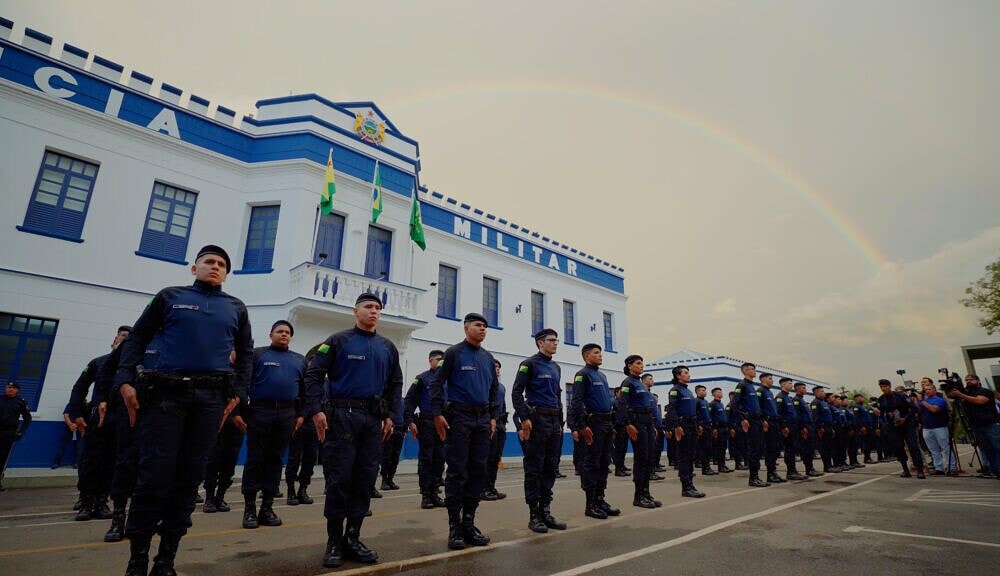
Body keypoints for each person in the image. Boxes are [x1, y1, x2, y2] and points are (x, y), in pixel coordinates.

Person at [115, 245, 252, 576]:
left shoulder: (236, 307)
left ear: (226, 273)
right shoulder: (169, 297)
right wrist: (125, 380)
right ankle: (137, 560)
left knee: (189, 480)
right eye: (209, 262)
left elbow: (246, 353)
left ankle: (166, 560)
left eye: (221, 264)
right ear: (194, 268)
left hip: (210, 401)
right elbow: (137, 339)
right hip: (167, 396)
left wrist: (239, 393)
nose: (215, 267)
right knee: (153, 477)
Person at [304, 293, 403, 567]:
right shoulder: (337, 341)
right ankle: (334, 541)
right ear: (355, 311)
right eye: (368, 307)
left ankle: (353, 538)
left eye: (377, 308)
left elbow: (396, 385)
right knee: (339, 478)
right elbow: (314, 375)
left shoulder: (388, 347)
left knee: (365, 479)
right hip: (342, 418)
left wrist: (391, 416)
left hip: (373, 420)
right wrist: (315, 409)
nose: (374, 311)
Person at [429, 312, 498, 551]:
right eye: (478, 325)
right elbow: (436, 383)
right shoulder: (453, 353)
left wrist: (492, 416)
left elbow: (493, 389)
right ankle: (454, 527)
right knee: (458, 472)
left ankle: (469, 523)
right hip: (459, 417)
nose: (482, 329)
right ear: (466, 328)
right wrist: (437, 413)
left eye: (485, 326)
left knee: (478, 471)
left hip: (482, 420)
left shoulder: (488, 358)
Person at [241, 321, 305, 529]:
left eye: (287, 332)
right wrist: (240, 412)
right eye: (280, 331)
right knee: (255, 459)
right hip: (260, 411)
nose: (284, 334)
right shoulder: (257, 355)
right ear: (271, 335)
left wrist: (301, 415)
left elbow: (305, 391)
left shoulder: (299, 360)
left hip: (287, 413)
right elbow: (243, 382)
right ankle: (250, 509)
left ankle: (267, 508)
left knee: (276, 460)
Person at [68, 326, 131, 522]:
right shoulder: (98, 362)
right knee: (91, 459)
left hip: (120, 418)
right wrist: (76, 413)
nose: (125, 340)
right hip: (98, 416)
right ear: (115, 339)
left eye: (129, 338)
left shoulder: (132, 366)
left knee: (112, 461)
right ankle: (86, 502)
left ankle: (102, 502)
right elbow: (80, 388)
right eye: (122, 336)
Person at [513, 328, 567, 533]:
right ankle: (534, 515)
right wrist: (524, 419)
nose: (555, 343)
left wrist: (560, 423)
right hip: (537, 420)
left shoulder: (556, 367)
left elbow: (558, 396)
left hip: (553, 421)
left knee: (550, 467)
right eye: (551, 340)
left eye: (556, 340)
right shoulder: (529, 364)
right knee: (534, 468)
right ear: (540, 342)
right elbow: (517, 393)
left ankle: (545, 511)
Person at [569, 343, 620, 519]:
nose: (600, 355)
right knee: (592, 463)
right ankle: (590, 504)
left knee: (605, 462)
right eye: (596, 353)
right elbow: (576, 402)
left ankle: (600, 499)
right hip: (594, 424)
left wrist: (612, 425)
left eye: (600, 353)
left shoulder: (602, 376)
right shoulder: (582, 375)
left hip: (606, 424)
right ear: (586, 356)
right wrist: (582, 426)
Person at [403, 350, 446, 509]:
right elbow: (410, 400)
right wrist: (409, 421)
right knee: (427, 459)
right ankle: (426, 495)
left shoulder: (447, 379)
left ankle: (435, 493)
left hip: (444, 425)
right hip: (427, 423)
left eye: (443, 360)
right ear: (430, 360)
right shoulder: (421, 379)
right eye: (438, 359)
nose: (440, 362)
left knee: (440, 459)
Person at [617, 355, 661, 508]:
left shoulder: (641, 383)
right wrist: (627, 424)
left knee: (649, 458)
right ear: (630, 366)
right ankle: (638, 496)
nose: (642, 366)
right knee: (641, 458)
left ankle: (646, 493)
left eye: (642, 363)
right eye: (638, 363)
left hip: (647, 422)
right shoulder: (628, 382)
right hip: (637, 421)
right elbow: (622, 404)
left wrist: (652, 426)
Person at [285, 343, 325, 506]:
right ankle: (290, 490)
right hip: (298, 422)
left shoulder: (321, 382)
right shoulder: (298, 379)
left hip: (313, 426)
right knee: (294, 458)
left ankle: (303, 489)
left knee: (310, 458)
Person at [946, 374, 1000, 478]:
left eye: (971, 379)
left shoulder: (985, 391)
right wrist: (950, 386)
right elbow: (951, 395)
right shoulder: (967, 392)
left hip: (990, 424)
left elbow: (979, 401)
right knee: (986, 449)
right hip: (977, 426)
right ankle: (993, 470)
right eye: (966, 380)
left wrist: (961, 395)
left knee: (997, 447)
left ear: (978, 381)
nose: (968, 381)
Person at [665, 366, 706, 498]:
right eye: (685, 373)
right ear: (678, 376)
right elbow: (672, 409)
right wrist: (677, 426)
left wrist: (698, 425)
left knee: (691, 456)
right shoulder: (675, 390)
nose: (688, 375)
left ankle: (690, 484)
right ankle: (686, 487)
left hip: (692, 425)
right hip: (683, 426)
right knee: (684, 456)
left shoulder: (687, 391)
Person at [877, 379, 925, 479]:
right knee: (898, 447)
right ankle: (905, 470)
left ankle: (920, 469)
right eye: (881, 387)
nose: (883, 388)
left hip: (907, 424)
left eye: (885, 386)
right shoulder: (881, 399)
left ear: (889, 386)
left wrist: (905, 418)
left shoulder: (900, 396)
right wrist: (881, 421)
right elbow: (881, 414)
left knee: (913, 446)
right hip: (894, 426)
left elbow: (914, 408)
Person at [733, 362, 768, 487]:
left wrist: (762, 420)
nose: (754, 371)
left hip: (757, 421)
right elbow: (735, 404)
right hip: (750, 421)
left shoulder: (752, 386)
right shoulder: (742, 385)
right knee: (753, 449)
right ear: (745, 371)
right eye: (751, 369)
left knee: (758, 449)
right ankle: (753, 478)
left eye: (754, 369)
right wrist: (743, 419)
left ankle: (756, 476)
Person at [918, 380, 955, 475]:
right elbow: (917, 410)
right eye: (925, 390)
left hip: (940, 427)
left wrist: (922, 401)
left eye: (929, 389)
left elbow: (934, 409)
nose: (927, 391)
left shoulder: (939, 400)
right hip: (927, 428)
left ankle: (952, 467)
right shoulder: (924, 401)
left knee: (946, 448)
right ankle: (939, 468)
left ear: (934, 390)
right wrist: (916, 399)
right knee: (933, 449)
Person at [0, 381, 32, 491]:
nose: (10, 389)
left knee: (2, 458)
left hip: (8, 434)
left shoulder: (21, 402)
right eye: (8, 387)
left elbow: (28, 418)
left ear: (17, 390)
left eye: (13, 388)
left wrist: (21, 432)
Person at [775, 378, 807, 480]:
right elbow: (778, 413)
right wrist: (783, 427)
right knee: (789, 450)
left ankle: (793, 470)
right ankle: (790, 472)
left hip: (793, 427)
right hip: (787, 427)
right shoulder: (780, 397)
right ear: (783, 385)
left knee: (793, 449)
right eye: (789, 383)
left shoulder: (788, 398)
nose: (791, 385)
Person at [756, 373, 784, 483]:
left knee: (775, 448)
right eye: (770, 378)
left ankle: (773, 472)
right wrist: (763, 420)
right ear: (763, 380)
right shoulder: (760, 391)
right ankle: (770, 474)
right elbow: (758, 407)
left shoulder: (770, 392)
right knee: (770, 448)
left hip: (774, 423)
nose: (772, 381)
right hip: (767, 423)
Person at [795, 382, 823, 477]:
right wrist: (802, 427)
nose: (805, 389)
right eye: (803, 388)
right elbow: (797, 415)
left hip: (810, 426)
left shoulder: (802, 400)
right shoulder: (796, 400)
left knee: (811, 448)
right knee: (806, 449)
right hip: (805, 427)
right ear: (798, 389)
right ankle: (808, 468)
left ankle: (811, 468)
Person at [694, 385, 716, 476]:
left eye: (705, 390)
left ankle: (707, 467)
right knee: (703, 448)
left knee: (708, 448)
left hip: (708, 426)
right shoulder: (696, 401)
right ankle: (705, 468)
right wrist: (698, 425)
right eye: (702, 390)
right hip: (702, 427)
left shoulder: (706, 402)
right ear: (697, 392)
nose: (705, 392)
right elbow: (695, 414)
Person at [709, 388, 733, 473]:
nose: (721, 393)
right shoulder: (712, 404)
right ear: (714, 394)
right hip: (718, 428)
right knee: (719, 448)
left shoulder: (721, 404)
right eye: (719, 392)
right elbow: (710, 417)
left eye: (721, 392)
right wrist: (714, 428)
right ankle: (720, 466)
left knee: (723, 448)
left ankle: (723, 465)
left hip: (724, 428)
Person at [612, 387, 631, 477]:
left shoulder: (624, 403)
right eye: (620, 392)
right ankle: (618, 469)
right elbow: (612, 417)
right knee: (619, 449)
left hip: (624, 428)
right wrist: (613, 428)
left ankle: (622, 466)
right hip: (618, 428)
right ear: (616, 393)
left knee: (624, 448)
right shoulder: (614, 403)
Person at [851, 394, 875, 464]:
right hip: (863, 428)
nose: (862, 399)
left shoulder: (864, 407)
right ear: (856, 399)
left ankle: (868, 457)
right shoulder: (856, 407)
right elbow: (856, 418)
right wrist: (861, 427)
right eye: (859, 398)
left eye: (862, 397)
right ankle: (866, 458)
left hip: (868, 427)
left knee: (869, 443)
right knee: (866, 443)